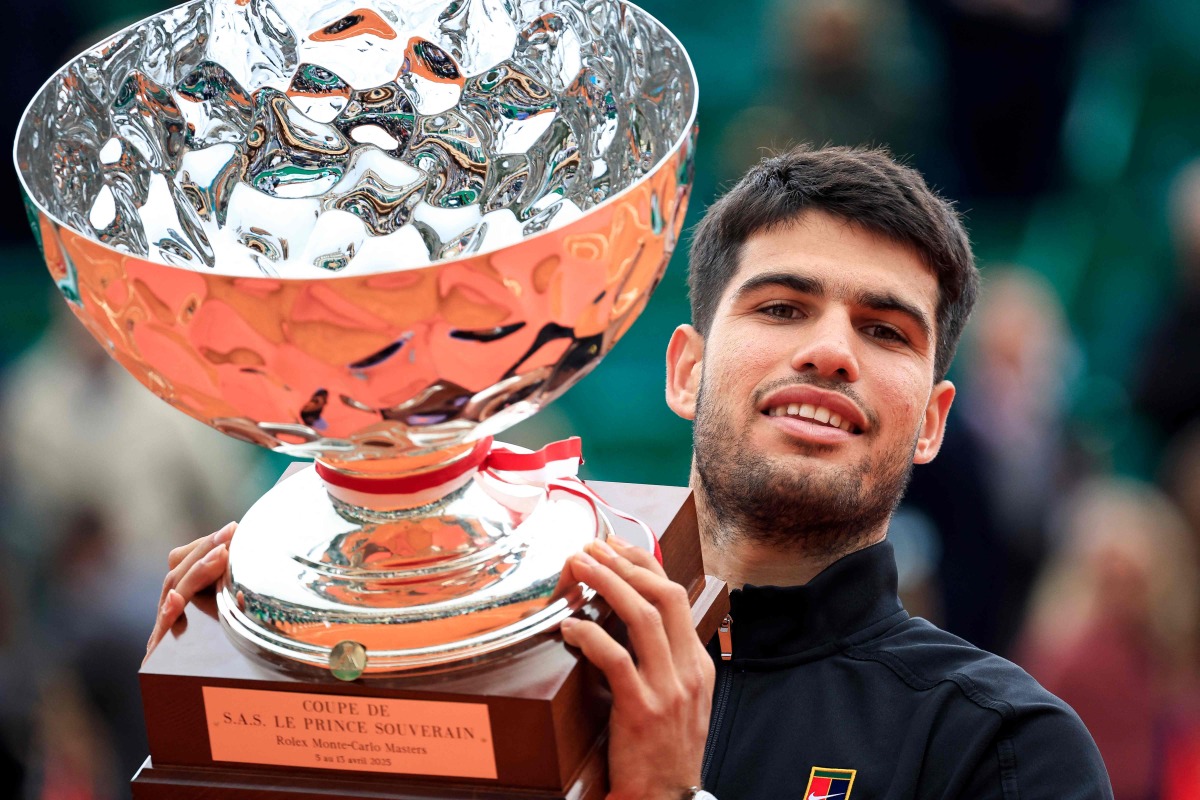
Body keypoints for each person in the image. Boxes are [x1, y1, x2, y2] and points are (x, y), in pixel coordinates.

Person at [147, 146, 1113, 800]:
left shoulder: (1003, 746)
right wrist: (273, 655)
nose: (829, 352)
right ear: (685, 370)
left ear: (935, 422)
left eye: (884, 329)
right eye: (781, 307)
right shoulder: (504, 657)